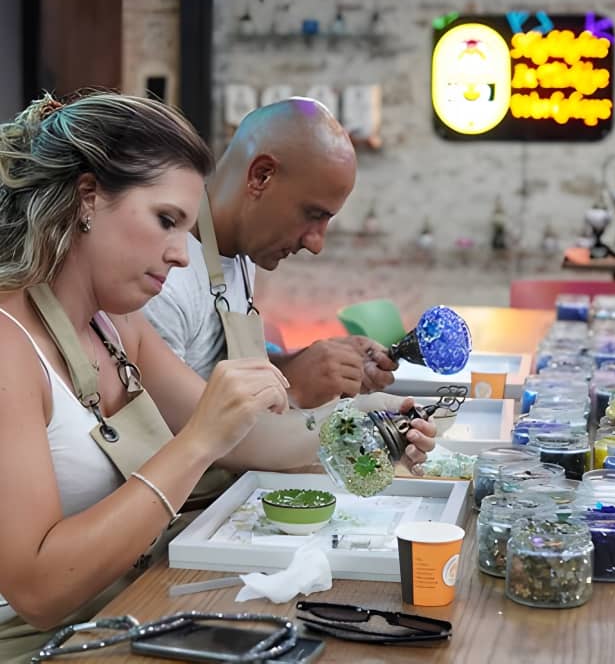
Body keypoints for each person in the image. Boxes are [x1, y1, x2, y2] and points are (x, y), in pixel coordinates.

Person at [0, 92, 435, 663]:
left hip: (126, 609)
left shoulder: (117, 327)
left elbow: (251, 439)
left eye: (185, 227)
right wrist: (199, 440)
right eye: (165, 221)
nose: (182, 255)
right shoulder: (10, 348)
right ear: (88, 198)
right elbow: (39, 593)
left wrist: (370, 426)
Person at [143, 98, 398, 409]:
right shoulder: (162, 280)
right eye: (312, 214)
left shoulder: (241, 254)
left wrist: (311, 364)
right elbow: (171, 427)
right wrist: (294, 392)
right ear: (261, 176)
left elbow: (219, 371)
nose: (316, 244)